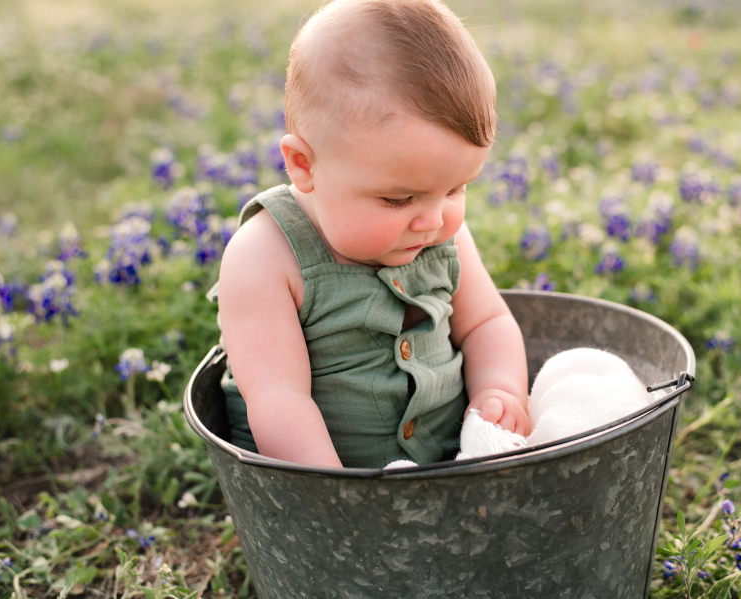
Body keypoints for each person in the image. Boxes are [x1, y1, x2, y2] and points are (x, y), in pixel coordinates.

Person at [213, 0, 529, 469]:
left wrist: (499, 390)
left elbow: (487, 323)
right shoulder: (264, 256)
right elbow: (279, 399)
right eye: (398, 199)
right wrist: (341, 499)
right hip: (325, 488)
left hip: (453, 468)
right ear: (304, 165)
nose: (432, 220)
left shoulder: (441, 234)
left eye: (456, 188)